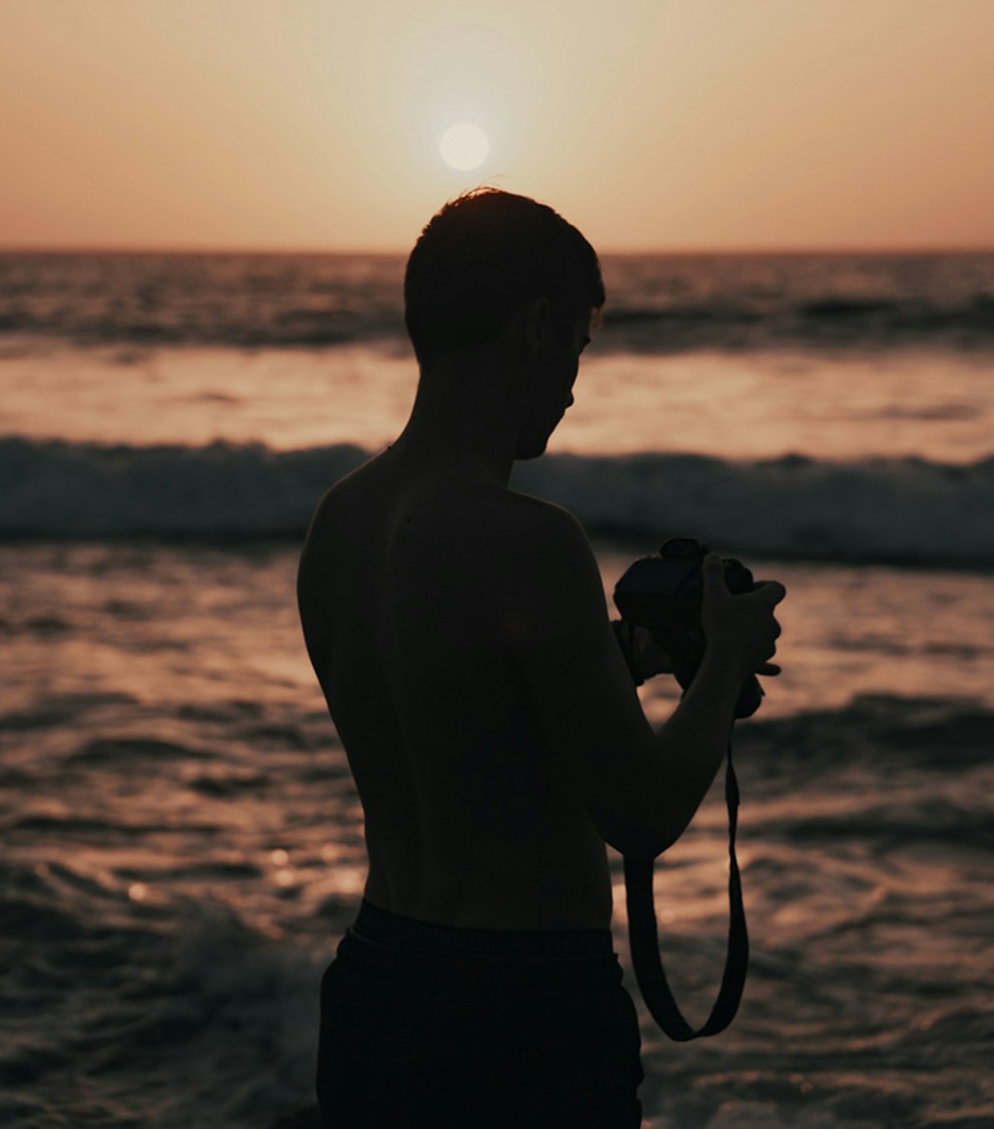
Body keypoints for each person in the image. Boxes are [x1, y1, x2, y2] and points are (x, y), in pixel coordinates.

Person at [298, 188, 785, 1128]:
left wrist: (612, 665)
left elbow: (455, 716)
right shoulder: (531, 540)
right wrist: (723, 663)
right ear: (534, 328)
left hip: (376, 987)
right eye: (577, 348)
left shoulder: (339, 522)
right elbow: (639, 815)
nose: (572, 384)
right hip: (517, 1015)